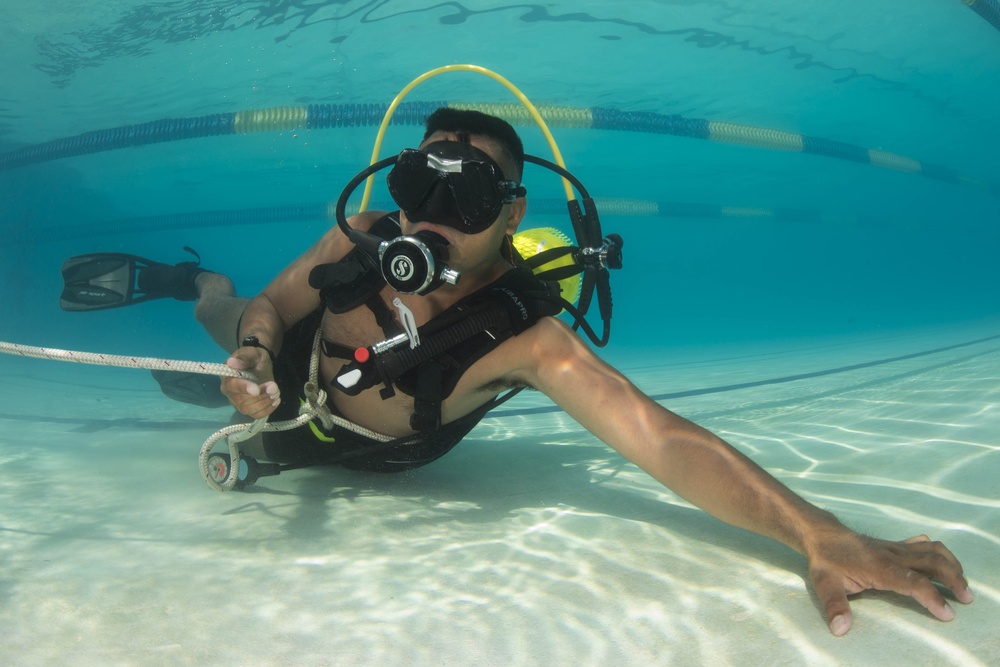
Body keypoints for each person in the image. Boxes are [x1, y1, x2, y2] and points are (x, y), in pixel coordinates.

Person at [60, 108, 973, 636]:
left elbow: (658, 435)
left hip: (364, 454)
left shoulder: (529, 336)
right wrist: (254, 351)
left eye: (467, 197)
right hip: (279, 386)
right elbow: (272, 305)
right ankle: (183, 277)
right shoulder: (363, 233)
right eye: (422, 187)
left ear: (511, 210)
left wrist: (816, 531)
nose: (434, 219)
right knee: (215, 317)